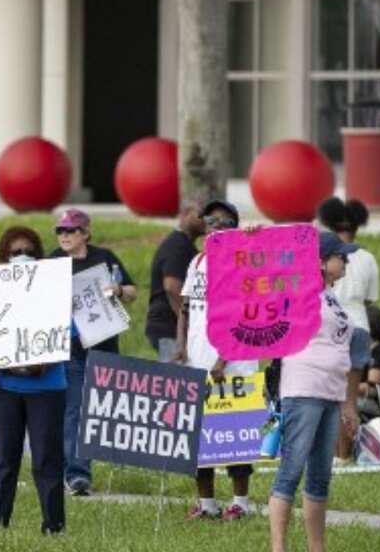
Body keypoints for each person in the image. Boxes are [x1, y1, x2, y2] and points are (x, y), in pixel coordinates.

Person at [268, 231, 360, 552]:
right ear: (321, 262)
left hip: (331, 393)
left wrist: (348, 404)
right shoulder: (297, 290)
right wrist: (249, 238)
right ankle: (278, 547)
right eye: (341, 256)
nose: (346, 260)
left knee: (320, 476)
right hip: (304, 388)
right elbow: (260, 280)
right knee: (291, 471)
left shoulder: (331, 296)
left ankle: (315, 548)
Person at [172, 200, 256, 520]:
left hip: (233, 366)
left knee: (233, 438)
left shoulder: (244, 265)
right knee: (200, 440)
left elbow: (246, 317)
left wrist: (223, 360)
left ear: (235, 229)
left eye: (225, 223)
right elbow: (184, 309)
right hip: (198, 362)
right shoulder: (197, 262)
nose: (216, 227)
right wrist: (181, 348)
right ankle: (207, 505)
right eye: (211, 222)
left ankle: (240, 504)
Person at [49, 208, 137, 496]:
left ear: (85, 234)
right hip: (70, 349)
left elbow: (133, 290)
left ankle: (87, 464)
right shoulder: (53, 262)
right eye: (60, 231)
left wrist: (119, 290)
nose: (63, 236)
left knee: (98, 409)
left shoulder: (104, 258)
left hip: (104, 346)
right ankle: (77, 474)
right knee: (75, 409)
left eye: (70, 230)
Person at [0, 226, 65, 534]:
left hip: (48, 388)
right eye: (15, 252)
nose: (23, 257)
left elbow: (68, 331)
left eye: (29, 252)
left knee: (47, 459)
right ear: (4, 257)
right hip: (6, 388)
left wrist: (45, 357)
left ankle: (53, 524)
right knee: (3, 458)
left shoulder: (55, 289)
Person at [317, 197, 379, 462]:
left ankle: (327, 454)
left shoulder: (320, 254)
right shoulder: (366, 257)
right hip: (359, 326)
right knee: (349, 399)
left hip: (328, 327)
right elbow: (371, 299)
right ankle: (344, 456)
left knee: (325, 396)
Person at [146, 202, 201, 362]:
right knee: (176, 379)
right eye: (199, 215)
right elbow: (171, 287)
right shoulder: (177, 245)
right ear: (184, 216)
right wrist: (188, 324)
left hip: (172, 327)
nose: (204, 220)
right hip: (169, 327)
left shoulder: (186, 245)